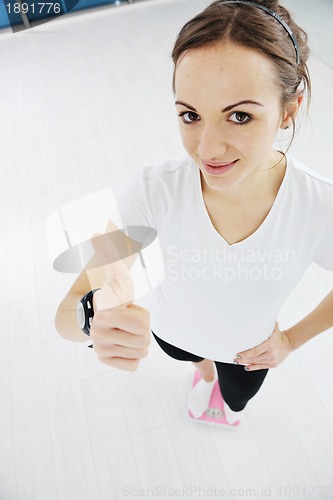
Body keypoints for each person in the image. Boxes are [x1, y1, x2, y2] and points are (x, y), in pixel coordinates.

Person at [55, 0, 333, 428]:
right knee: (194, 361)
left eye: (239, 116)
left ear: (289, 110)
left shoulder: (319, 205)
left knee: (236, 399)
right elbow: (72, 307)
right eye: (190, 115)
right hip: (174, 333)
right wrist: (92, 322)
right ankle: (203, 372)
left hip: (249, 352)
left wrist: (292, 341)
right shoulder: (154, 190)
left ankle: (220, 387)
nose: (206, 150)